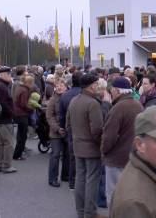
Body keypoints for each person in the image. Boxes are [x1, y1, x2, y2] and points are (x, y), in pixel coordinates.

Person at [101, 77, 143, 206]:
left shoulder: (117, 108)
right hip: (133, 157)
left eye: (112, 90)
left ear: (117, 91)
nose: (111, 92)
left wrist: (104, 151)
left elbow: (109, 136)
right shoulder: (138, 105)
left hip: (117, 158)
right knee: (130, 195)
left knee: (114, 195)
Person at [66, 73, 103, 218]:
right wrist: (102, 144)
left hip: (77, 145)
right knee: (91, 180)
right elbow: (97, 130)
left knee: (80, 179)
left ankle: (81, 212)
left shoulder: (74, 100)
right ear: (92, 85)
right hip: (91, 147)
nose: (98, 86)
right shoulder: (92, 103)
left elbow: (68, 124)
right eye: (97, 84)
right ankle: (90, 212)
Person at [59, 70, 83, 190]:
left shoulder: (65, 95)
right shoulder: (85, 95)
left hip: (70, 128)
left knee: (70, 155)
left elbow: (62, 115)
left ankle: (70, 180)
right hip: (83, 129)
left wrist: (62, 127)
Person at [46, 78, 68, 187]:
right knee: (55, 155)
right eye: (58, 85)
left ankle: (65, 175)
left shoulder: (69, 98)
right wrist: (58, 128)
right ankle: (52, 178)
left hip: (67, 130)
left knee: (67, 155)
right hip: (56, 132)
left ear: (66, 87)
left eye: (62, 85)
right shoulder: (53, 100)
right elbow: (49, 116)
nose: (59, 87)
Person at [0, 67, 17, 173]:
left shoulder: (1, 86)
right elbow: (3, 104)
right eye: (8, 74)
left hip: (2, 119)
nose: (10, 76)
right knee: (9, 143)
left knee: (2, 143)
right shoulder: (2, 87)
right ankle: (6, 165)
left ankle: (0, 164)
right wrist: (12, 113)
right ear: (2, 75)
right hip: (4, 119)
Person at [13, 74, 34, 160]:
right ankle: (18, 154)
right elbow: (23, 104)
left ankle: (17, 153)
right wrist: (31, 108)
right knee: (22, 135)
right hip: (22, 114)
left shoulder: (19, 88)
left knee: (20, 135)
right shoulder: (25, 90)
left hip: (18, 113)